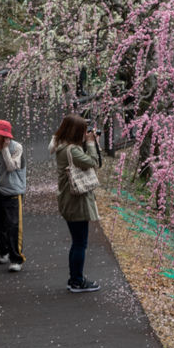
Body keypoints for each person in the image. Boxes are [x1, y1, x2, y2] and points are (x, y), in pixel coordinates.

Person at [50, 113, 101, 292]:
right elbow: (93, 162)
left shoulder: (62, 146)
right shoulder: (72, 150)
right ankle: (77, 281)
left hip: (68, 199)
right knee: (80, 243)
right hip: (76, 201)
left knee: (77, 241)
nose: (85, 133)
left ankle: (75, 278)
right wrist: (92, 143)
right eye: (82, 130)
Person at [0, 120, 26, 271]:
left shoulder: (17, 147)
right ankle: (3, 251)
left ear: (6, 137)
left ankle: (16, 259)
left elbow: (11, 167)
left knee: (13, 225)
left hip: (12, 191)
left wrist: (5, 149)